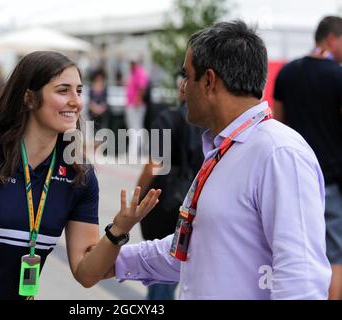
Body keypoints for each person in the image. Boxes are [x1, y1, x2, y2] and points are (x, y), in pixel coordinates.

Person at [0, 51, 161, 300]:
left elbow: (86, 273)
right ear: (29, 98)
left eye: (79, 91)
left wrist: (118, 230)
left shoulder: (78, 174)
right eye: (63, 90)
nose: (76, 101)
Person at [104, 20, 332, 299]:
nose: (182, 89)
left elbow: (301, 280)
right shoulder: (225, 148)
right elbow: (195, 248)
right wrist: (112, 256)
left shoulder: (279, 153)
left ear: (210, 81)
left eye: (187, 77)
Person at [273, 16, 342, 300]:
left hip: (294, 181)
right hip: (332, 181)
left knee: (295, 252)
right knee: (335, 255)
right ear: (330, 38)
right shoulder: (338, 76)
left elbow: (277, 123)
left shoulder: (287, 73)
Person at [137, 74, 203, 300]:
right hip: (198, 202)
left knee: (162, 271)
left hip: (165, 203)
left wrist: (138, 198)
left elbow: (154, 166)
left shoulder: (167, 118)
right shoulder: (209, 123)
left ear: (181, 90)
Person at [125, 59, 149, 157]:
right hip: (132, 103)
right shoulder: (134, 72)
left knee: (135, 128)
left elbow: (142, 87)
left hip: (135, 105)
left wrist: (137, 100)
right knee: (135, 128)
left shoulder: (139, 72)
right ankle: (136, 151)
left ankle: (134, 152)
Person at [88, 68, 109, 132]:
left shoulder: (105, 88)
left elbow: (105, 102)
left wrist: (100, 109)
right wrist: (95, 109)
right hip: (93, 112)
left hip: (102, 113)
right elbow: (90, 101)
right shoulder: (91, 88)